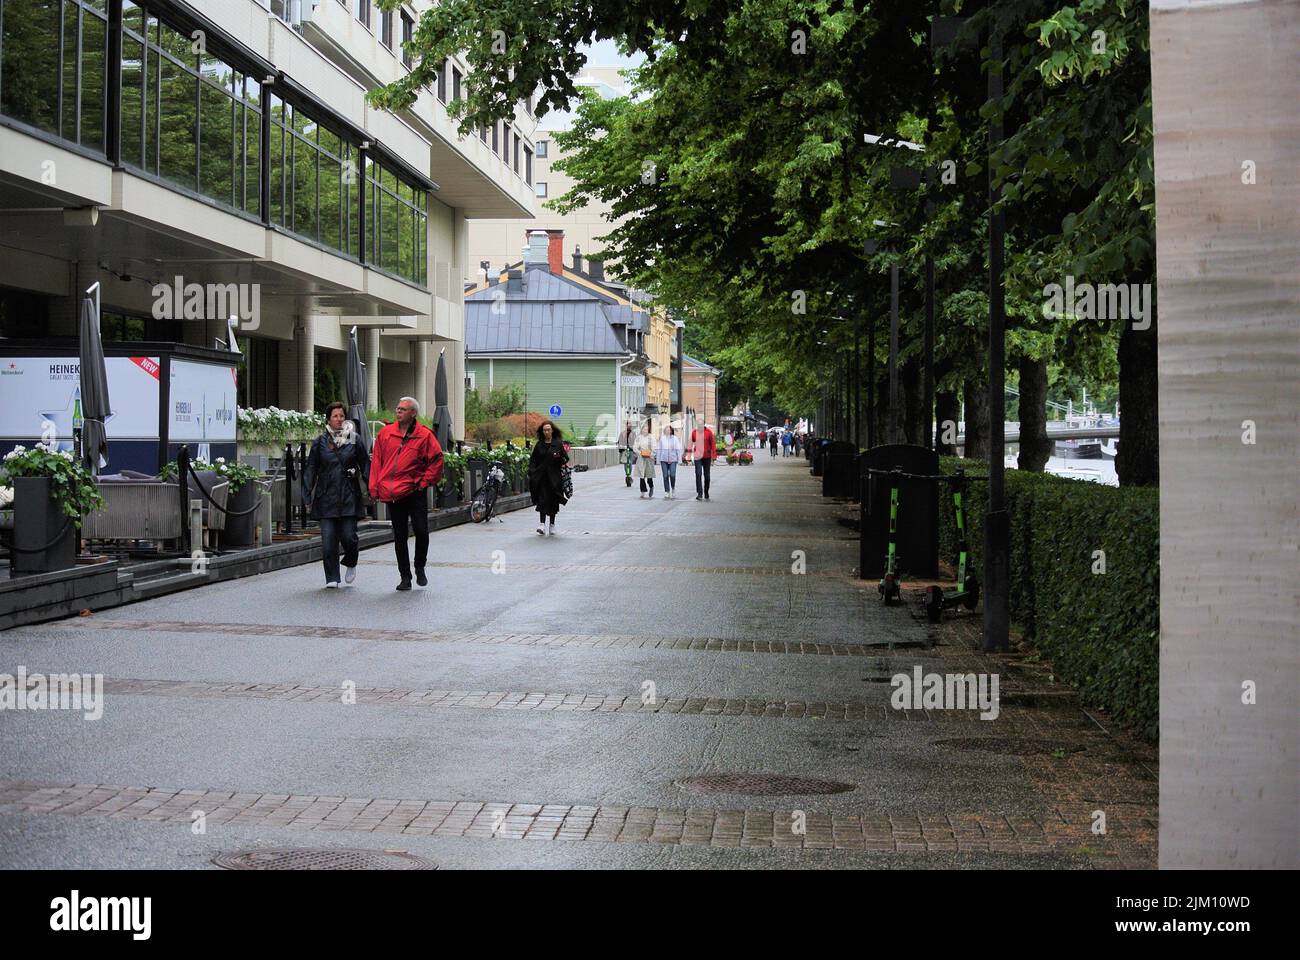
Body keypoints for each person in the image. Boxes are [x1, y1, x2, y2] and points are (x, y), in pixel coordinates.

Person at [369, 396, 443, 591]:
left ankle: (420, 566)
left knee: (421, 530)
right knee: (399, 535)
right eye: (398, 408)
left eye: (403, 409)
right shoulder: (386, 434)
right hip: (393, 492)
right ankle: (405, 576)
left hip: (414, 490)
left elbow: (436, 460)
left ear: (413, 413)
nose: (398, 411)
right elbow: (377, 462)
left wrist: (424, 483)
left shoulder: (424, 435)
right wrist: (374, 487)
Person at [303, 402, 370, 588]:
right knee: (328, 540)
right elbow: (311, 469)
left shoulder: (354, 439)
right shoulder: (320, 442)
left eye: (342, 416)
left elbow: (365, 465)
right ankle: (332, 577)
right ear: (328, 419)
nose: (339, 419)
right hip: (326, 496)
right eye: (335, 416)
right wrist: (306, 493)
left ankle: (350, 561)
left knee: (349, 536)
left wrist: (373, 487)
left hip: (348, 494)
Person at [527, 420, 569, 535]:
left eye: (548, 430)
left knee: (553, 501)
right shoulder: (539, 445)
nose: (546, 432)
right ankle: (541, 524)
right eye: (544, 430)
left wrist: (558, 457)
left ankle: (552, 525)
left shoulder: (558, 444)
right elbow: (533, 460)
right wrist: (532, 471)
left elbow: (565, 458)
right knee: (542, 500)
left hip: (555, 478)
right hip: (542, 477)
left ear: (552, 430)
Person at [688, 421, 717, 500]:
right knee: (698, 474)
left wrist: (714, 456)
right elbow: (690, 443)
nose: (699, 426)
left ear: (703, 425)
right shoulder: (694, 432)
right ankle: (699, 493)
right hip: (698, 457)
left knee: (707, 476)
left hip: (707, 457)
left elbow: (713, 444)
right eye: (698, 425)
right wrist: (689, 456)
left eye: (701, 424)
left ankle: (706, 491)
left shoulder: (708, 432)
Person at [657, 424, 683, 499]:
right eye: (666, 429)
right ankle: (667, 491)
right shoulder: (662, 439)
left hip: (673, 460)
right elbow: (659, 449)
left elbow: (678, 449)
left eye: (669, 429)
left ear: (671, 431)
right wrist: (658, 460)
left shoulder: (675, 438)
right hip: (663, 460)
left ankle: (673, 488)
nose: (668, 431)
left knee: (672, 475)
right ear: (665, 431)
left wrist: (679, 459)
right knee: (665, 476)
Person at [634, 420, 657, 498]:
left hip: (649, 459)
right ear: (641, 429)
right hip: (641, 458)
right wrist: (639, 452)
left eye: (647, 429)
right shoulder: (638, 438)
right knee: (642, 475)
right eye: (644, 429)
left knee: (649, 475)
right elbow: (635, 447)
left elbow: (654, 448)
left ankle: (651, 487)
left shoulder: (651, 437)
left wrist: (652, 454)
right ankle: (643, 491)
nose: (645, 430)